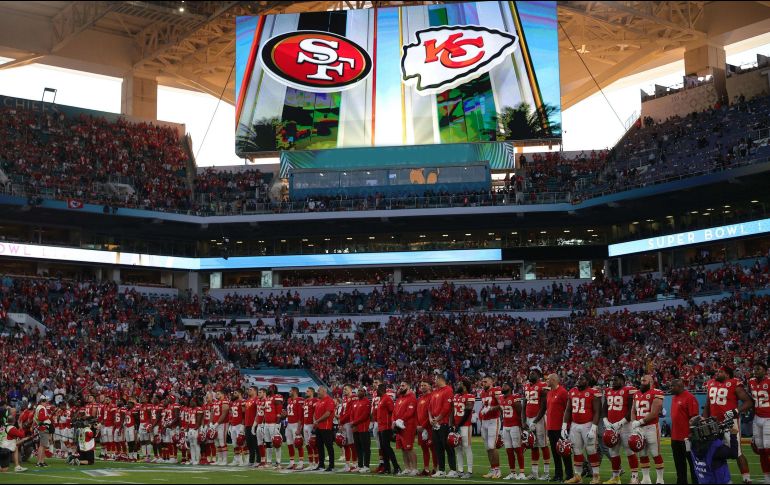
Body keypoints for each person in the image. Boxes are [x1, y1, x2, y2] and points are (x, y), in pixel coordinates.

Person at [704, 366, 754, 484]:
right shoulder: (710, 383)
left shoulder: (734, 383)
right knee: (714, 451)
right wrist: (704, 420)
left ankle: (746, 478)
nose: (717, 373)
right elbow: (707, 404)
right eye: (717, 371)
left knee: (737, 452)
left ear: (727, 374)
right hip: (714, 423)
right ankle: (721, 477)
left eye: (720, 372)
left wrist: (736, 411)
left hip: (730, 422)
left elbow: (749, 402)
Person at [563, 373, 602, 484]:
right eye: (579, 378)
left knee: (591, 450)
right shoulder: (572, 391)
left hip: (588, 424)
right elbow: (568, 410)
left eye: (582, 379)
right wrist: (564, 426)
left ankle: (596, 476)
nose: (579, 380)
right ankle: (578, 476)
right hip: (575, 425)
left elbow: (597, 412)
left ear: (588, 381)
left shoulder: (593, 392)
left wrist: (594, 428)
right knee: (576, 451)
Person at [602, 373, 639, 484]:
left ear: (623, 381)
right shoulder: (608, 391)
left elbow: (631, 410)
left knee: (629, 451)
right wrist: (605, 420)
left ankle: (635, 477)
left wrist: (621, 423)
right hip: (611, 426)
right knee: (613, 452)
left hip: (625, 426)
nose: (613, 382)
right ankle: (616, 477)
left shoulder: (629, 390)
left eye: (616, 380)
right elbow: (605, 408)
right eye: (612, 380)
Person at [632, 374, 665, 484]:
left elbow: (654, 413)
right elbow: (633, 411)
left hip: (651, 427)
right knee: (642, 454)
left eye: (644, 380)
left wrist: (640, 422)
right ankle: (646, 479)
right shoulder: (636, 394)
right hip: (639, 429)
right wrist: (634, 423)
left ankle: (660, 479)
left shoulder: (657, 392)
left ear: (651, 382)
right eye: (641, 380)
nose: (641, 382)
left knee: (655, 453)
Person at [689, 416, 739, 484]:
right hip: (720, 481)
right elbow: (734, 454)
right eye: (706, 423)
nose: (709, 424)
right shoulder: (714, 446)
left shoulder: (692, 443)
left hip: (703, 480)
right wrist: (733, 435)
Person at [523, 368, 551, 480]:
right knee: (533, 446)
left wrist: (535, 421)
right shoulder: (526, 386)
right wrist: (523, 420)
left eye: (533, 373)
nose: (530, 374)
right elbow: (524, 404)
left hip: (539, 419)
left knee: (543, 445)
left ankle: (546, 473)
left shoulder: (543, 385)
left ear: (538, 375)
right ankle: (534, 473)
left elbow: (544, 406)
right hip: (529, 418)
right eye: (530, 373)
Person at [670, 378, 699, 484]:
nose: (670, 388)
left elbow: (695, 418)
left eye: (672, 386)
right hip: (675, 437)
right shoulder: (674, 398)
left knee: (693, 464)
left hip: (687, 438)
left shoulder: (690, 397)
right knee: (679, 464)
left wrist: (691, 434)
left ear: (679, 386)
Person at [429, 373, 456, 477]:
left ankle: (453, 469)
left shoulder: (448, 390)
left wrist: (437, 418)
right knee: (438, 448)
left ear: (441, 379)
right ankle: (441, 470)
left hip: (444, 423)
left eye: (435, 379)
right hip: (435, 424)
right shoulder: (435, 391)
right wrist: (431, 419)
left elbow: (447, 407)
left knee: (448, 447)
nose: (434, 381)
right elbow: (429, 408)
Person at [547, 373, 571, 482]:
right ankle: (558, 474)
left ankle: (569, 474)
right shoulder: (549, 392)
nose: (546, 381)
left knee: (564, 452)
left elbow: (568, 409)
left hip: (560, 427)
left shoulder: (563, 392)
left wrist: (566, 426)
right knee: (555, 452)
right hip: (551, 427)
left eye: (548, 379)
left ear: (553, 380)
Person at [499, 381, 526, 480]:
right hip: (505, 426)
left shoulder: (515, 397)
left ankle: (522, 473)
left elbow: (520, 412)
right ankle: (512, 472)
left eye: (505, 385)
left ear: (510, 388)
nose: (502, 387)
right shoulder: (501, 398)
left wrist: (522, 427)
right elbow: (501, 412)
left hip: (515, 426)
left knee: (518, 449)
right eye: (502, 385)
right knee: (509, 450)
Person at [749, 362, 770, 484]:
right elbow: (752, 400)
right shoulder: (751, 381)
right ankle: (767, 478)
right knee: (760, 450)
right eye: (755, 369)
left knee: (768, 449)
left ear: (765, 371)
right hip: (757, 418)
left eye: (759, 369)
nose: (756, 371)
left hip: (769, 418)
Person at [450, 379, 475, 479]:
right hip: (457, 425)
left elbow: (468, 412)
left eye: (460, 384)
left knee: (467, 447)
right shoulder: (456, 396)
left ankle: (469, 471)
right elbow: (452, 411)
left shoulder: (470, 396)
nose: (458, 385)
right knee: (458, 448)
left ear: (464, 386)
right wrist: (452, 424)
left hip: (465, 426)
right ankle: (460, 470)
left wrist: (458, 424)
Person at [479, 376, 503, 479]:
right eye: (482, 381)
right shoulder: (482, 393)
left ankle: (497, 470)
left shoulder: (496, 390)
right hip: (484, 421)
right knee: (487, 448)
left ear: (491, 382)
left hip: (493, 420)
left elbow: (502, 405)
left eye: (485, 381)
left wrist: (491, 408)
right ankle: (492, 469)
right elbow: (484, 406)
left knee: (492, 446)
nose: (483, 383)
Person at [393, 381, 417, 476]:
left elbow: (410, 412)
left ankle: (414, 469)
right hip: (398, 426)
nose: (401, 387)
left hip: (408, 426)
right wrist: (394, 421)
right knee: (403, 448)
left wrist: (401, 420)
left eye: (403, 385)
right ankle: (407, 468)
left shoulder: (412, 397)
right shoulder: (400, 398)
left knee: (409, 447)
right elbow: (394, 412)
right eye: (400, 385)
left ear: (408, 387)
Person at [376, 383, 400, 474]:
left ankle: (396, 467)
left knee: (387, 447)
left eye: (377, 389)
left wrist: (392, 424)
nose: (376, 391)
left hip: (386, 427)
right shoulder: (381, 399)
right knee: (383, 448)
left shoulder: (387, 399)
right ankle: (387, 468)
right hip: (381, 427)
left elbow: (392, 411)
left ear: (381, 390)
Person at [416, 381, 437, 476]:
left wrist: (423, 426)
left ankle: (435, 469)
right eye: (421, 385)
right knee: (424, 449)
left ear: (429, 387)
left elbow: (432, 414)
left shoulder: (432, 396)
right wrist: (417, 425)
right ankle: (426, 469)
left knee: (433, 448)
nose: (422, 387)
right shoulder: (420, 398)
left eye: (425, 385)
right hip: (421, 429)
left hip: (430, 428)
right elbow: (417, 414)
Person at [312, 386, 335, 472]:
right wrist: (315, 421)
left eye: (319, 391)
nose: (317, 392)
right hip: (319, 427)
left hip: (326, 427)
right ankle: (321, 464)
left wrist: (317, 421)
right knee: (319, 446)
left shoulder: (329, 400)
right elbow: (314, 413)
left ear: (324, 391)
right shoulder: (319, 401)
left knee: (329, 446)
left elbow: (327, 413)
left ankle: (331, 465)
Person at [0, 407, 28, 473]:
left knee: (16, 447)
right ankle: (17, 466)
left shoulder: (3, 426)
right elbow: (22, 435)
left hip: (2, 445)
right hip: (5, 448)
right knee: (4, 470)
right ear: (14, 421)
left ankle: (17, 466)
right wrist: (21, 427)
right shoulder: (12, 428)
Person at [351, 386, 371, 473]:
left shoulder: (367, 402)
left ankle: (366, 466)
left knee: (366, 448)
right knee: (358, 448)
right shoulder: (355, 402)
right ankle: (360, 465)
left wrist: (354, 423)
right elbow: (352, 414)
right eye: (358, 390)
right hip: (356, 428)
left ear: (364, 392)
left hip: (363, 428)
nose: (359, 392)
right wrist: (352, 423)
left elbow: (365, 415)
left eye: (361, 391)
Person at [284, 386, 304, 470]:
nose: (289, 392)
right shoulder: (289, 400)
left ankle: (301, 463)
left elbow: (300, 415)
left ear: (295, 391)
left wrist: (299, 428)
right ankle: (292, 462)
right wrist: (284, 414)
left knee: (298, 443)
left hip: (296, 424)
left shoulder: (299, 400)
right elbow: (289, 413)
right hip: (289, 424)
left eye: (290, 391)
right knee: (289, 443)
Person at [302, 387, 318, 471]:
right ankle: (311, 463)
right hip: (305, 424)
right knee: (308, 445)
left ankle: (317, 463)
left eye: (307, 391)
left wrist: (315, 424)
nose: (306, 392)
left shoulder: (315, 400)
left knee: (313, 444)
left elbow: (316, 412)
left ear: (312, 392)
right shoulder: (305, 401)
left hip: (311, 424)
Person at [34, 395, 52, 467]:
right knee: (42, 445)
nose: (47, 403)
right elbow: (41, 418)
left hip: (43, 427)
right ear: (42, 401)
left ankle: (42, 461)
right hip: (43, 428)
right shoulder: (41, 408)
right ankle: (39, 462)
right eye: (46, 402)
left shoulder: (39, 407)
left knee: (43, 445)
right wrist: (48, 416)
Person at [243, 387, 260, 467]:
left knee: (256, 443)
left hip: (254, 424)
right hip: (247, 424)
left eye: (250, 390)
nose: (248, 391)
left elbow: (258, 412)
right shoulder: (247, 400)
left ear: (255, 391)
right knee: (249, 444)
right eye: (248, 389)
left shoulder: (257, 399)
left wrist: (255, 423)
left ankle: (259, 460)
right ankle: (251, 460)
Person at [228, 390, 245, 466]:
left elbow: (244, 414)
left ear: (240, 393)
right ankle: (236, 459)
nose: (234, 394)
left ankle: (241, 460)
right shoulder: (233, 402)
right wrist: (230, 424)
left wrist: (242, 425)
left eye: (235, 393)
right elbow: (231, 415)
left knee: (240, 442)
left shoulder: (243, 402)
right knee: (234, 444)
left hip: (239, 424)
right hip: (233, 425)